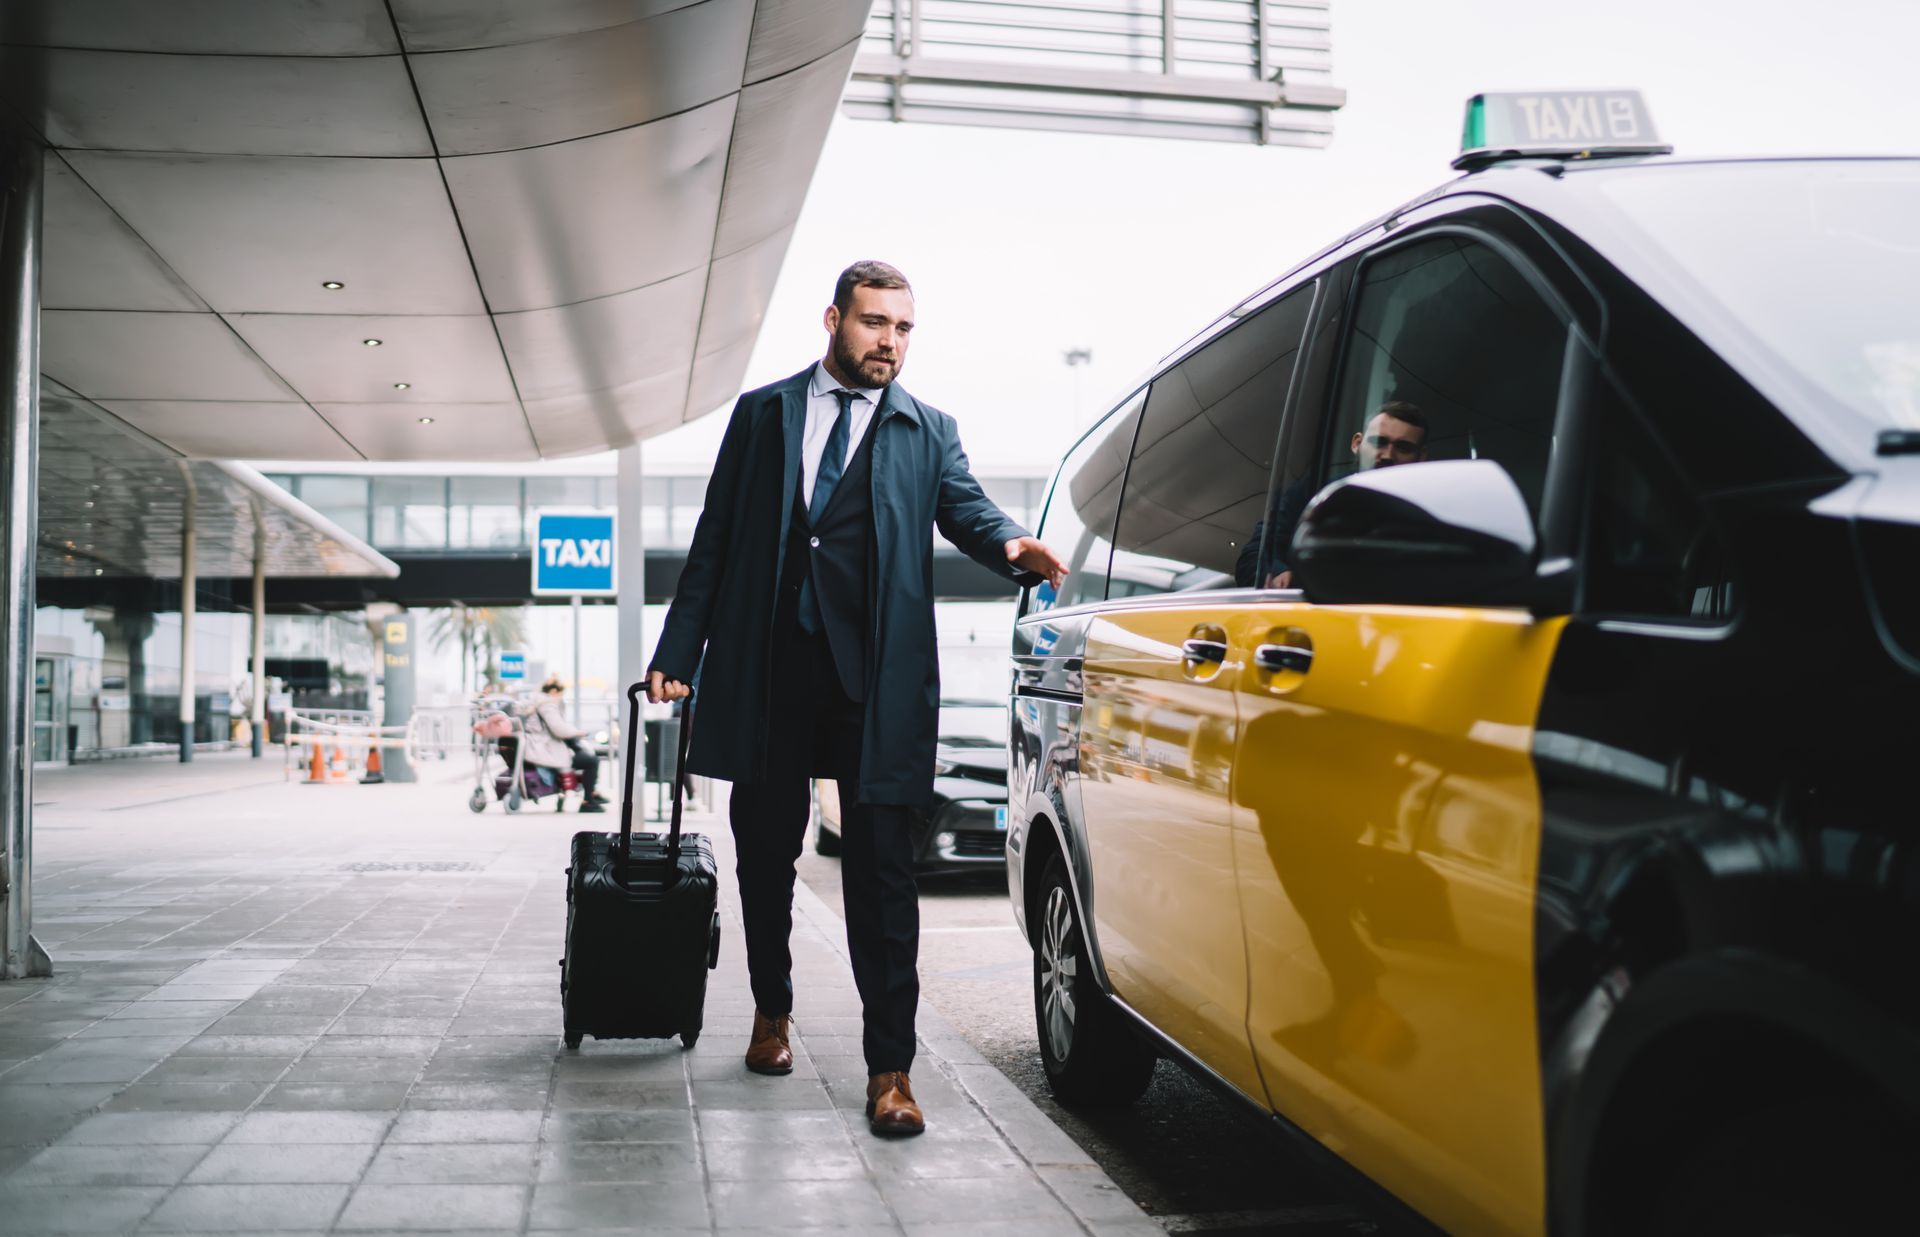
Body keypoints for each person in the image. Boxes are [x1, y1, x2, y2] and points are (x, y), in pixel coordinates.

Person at [646, 260, 1067, 1137]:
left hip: (875, 683)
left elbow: (966, 509)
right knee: (767, 855)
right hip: (771, 674)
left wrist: (1011, 544)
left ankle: (891, 1070)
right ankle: (772, 1009)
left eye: (904, 328)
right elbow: (716, 538)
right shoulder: (764, 414)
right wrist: (677, 653)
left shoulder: (927, 429)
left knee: (883, 874)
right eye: (876, 322)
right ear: (834, 318)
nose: (890, 342)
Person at [1235, 400, 1429, 589]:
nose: (1388, 455)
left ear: (1421, 457)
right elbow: (1256, 552)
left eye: (1404, 448)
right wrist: (1278, 575)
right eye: (1379, 442)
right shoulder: (1318, 491)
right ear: (1357, 443)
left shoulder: (1428, 512)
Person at [523, 677, 605, 813]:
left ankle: (592, 793)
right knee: (591, 761)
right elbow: (559, 729)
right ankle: (588, 801)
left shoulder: (533, 701)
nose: (561, 697)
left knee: (582, 754)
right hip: (545, 751)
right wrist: (578, 732)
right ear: (554, 691)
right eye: (561, 694)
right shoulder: (546, 704)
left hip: (538, 747)